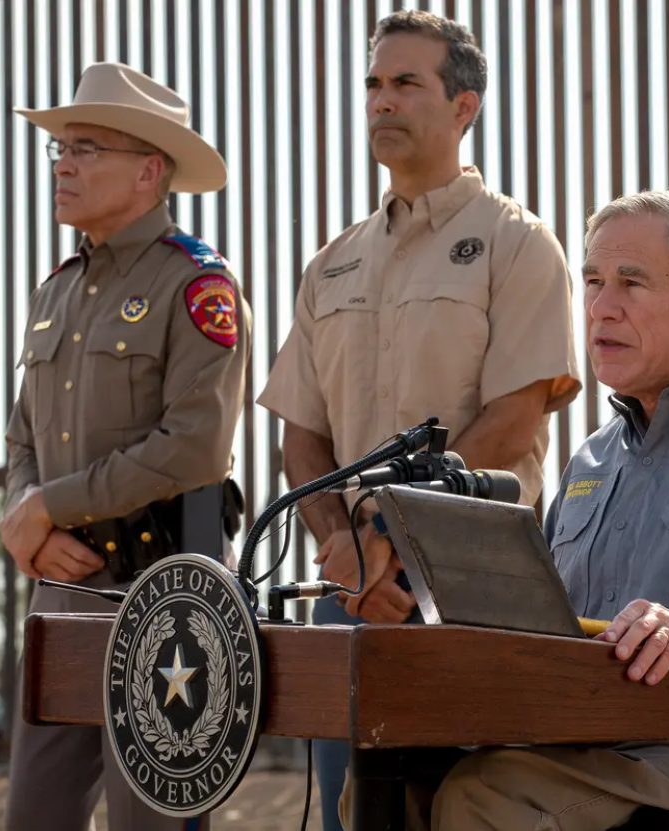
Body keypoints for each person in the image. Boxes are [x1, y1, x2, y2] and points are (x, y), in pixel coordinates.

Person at [341, 190, 669, 830]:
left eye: (632, 282)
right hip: (580, 731)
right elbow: (548, 631)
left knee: (483, 800)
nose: (600, 307)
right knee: (385, 779)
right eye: (592, 281)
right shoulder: (593, 459)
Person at [255, 10, 581, 830]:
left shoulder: (516, 243)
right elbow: (302, 429)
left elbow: (511, 421)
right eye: (373, 83)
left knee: (457, 812)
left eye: (406, 83)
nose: (381, 102)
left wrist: (384, 542)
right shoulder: (330, 262)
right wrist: (342, 550)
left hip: (470, 592)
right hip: (353, 597)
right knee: (346, 815)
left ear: (463, 107)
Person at [0, 62, 251, 831]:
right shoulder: (58, 288)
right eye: (59, 149)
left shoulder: (197, 284)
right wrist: (25, 521)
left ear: (148, 171)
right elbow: (22, 437)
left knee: (151, 822)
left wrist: (50, 505)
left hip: (162, 592)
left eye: (86, 148)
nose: (63, 164)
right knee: (34, 816)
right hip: (62, 589)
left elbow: (195, 448)